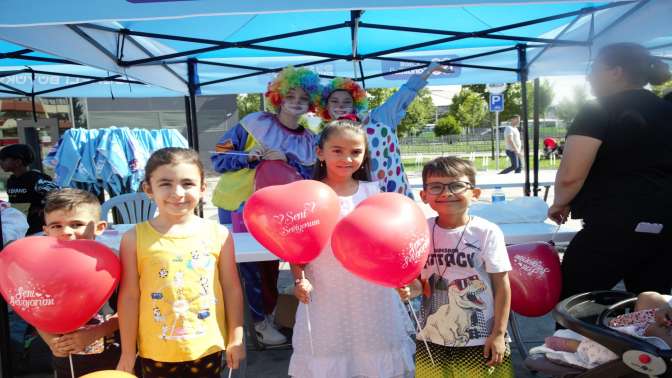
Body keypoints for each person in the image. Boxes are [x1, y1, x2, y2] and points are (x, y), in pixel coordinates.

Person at [289, 119, 415, 377]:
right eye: (337, 150)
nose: (347, 158)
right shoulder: (306, 195)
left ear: (365, 154)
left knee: (374, 349)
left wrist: (402, 277)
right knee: (331, 351)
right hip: (325, 288)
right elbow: (295, 245)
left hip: (372, 290)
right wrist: (298, 279)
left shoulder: (374, 192)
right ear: (320, 152)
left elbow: (390, 240)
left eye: (355, 152)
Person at [548, 43, 672, 300]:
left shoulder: (597, 109)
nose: (589, 76)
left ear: (616, 72)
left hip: (611, 228)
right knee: (651, 315)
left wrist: (560, 202)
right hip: (664, 229)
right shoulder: (667, 109)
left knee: (575, 310)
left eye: (594, 68)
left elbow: (571, 174)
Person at [210, 66, 321, 345]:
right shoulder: (253, 122)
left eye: (303, 97)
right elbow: (218, 157)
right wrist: (247, 157)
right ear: (278, 97)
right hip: (238, 205)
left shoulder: (308, 139)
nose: (296, 102)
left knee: (269, 266)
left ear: (311, 104)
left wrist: (288, 159)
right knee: (247, 268)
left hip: (278, 212)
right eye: (290, 95)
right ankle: (254, 323)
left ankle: (266, 317)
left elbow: (308, 177)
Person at [116, 147, 245, 377]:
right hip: (156, 350)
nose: (177, 192)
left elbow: (231, 288)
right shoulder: (134, 238)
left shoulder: (219, 234)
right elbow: (129, 296)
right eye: (165, 183)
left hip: (207, 347)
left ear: (203, 188)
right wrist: (127, 351)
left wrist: (236, 337)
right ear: (148, 189)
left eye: (188, 183)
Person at [399, 156, 513, 377]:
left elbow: (502, 287)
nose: (446, 192)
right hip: (431, 337)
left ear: (475, 193)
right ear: (423, 196)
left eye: (457, 185)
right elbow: (418, 284)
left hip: (480, 338)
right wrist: (407, 289)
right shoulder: (419, 230)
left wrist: (498, 334)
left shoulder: (486, 232)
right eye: (436, 187)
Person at [318, 62, 448, 198]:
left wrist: (427, 72)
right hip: (354, 201)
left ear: (355, 104)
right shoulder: (323, 137)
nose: (341, 106)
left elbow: (403, 96)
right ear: (326, 106)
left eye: (346, 102)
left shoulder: (377, 120)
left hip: (394, 195)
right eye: (334, 101)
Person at [36, 188, 124, 377]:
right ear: (45, 231)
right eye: (56, 226)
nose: (66, 232)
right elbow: (36, 311)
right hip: (66, 361)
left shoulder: (113, 264)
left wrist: (96, 332)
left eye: (76, 224)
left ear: (100, 227)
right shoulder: (41, 269)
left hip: (115, 356)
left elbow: (132, 308)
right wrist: (52, 342)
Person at [539, 291, 672, 369]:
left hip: (657, 348)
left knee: (612, 351)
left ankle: (578, 346)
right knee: (649, 296)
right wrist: (665, 309)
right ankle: (622, 327)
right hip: (651, 321)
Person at [0, 144, 58, 234]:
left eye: (3, 159)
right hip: (19, 227)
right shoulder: (11, 180)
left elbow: (57, 193)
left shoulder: (35, 178)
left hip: (38, 229)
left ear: (18, 162)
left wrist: (45, 208)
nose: (1, 163)